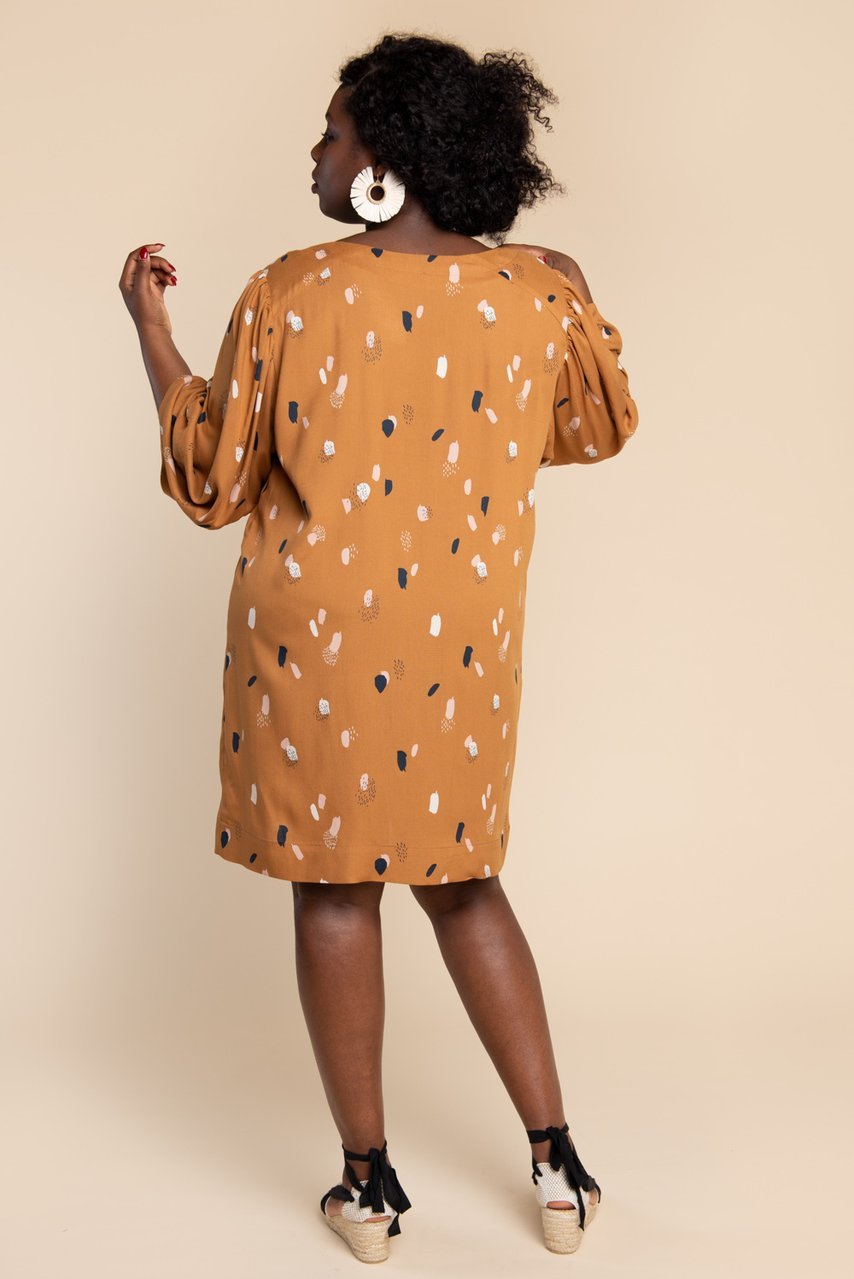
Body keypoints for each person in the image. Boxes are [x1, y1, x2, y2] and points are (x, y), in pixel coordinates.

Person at [120, 31, 638, 1265]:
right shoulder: (535, 295)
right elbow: (594, 426)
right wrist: (573, 288)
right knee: (462, 882)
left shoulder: (289, 291)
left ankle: (369, 1188)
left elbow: (209, 477)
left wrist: (149, 324)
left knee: (335, 889)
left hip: (313, 644)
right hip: (462, 644)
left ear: (383, 162)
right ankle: (558, 1166)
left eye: (333, 132)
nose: (315, 150)